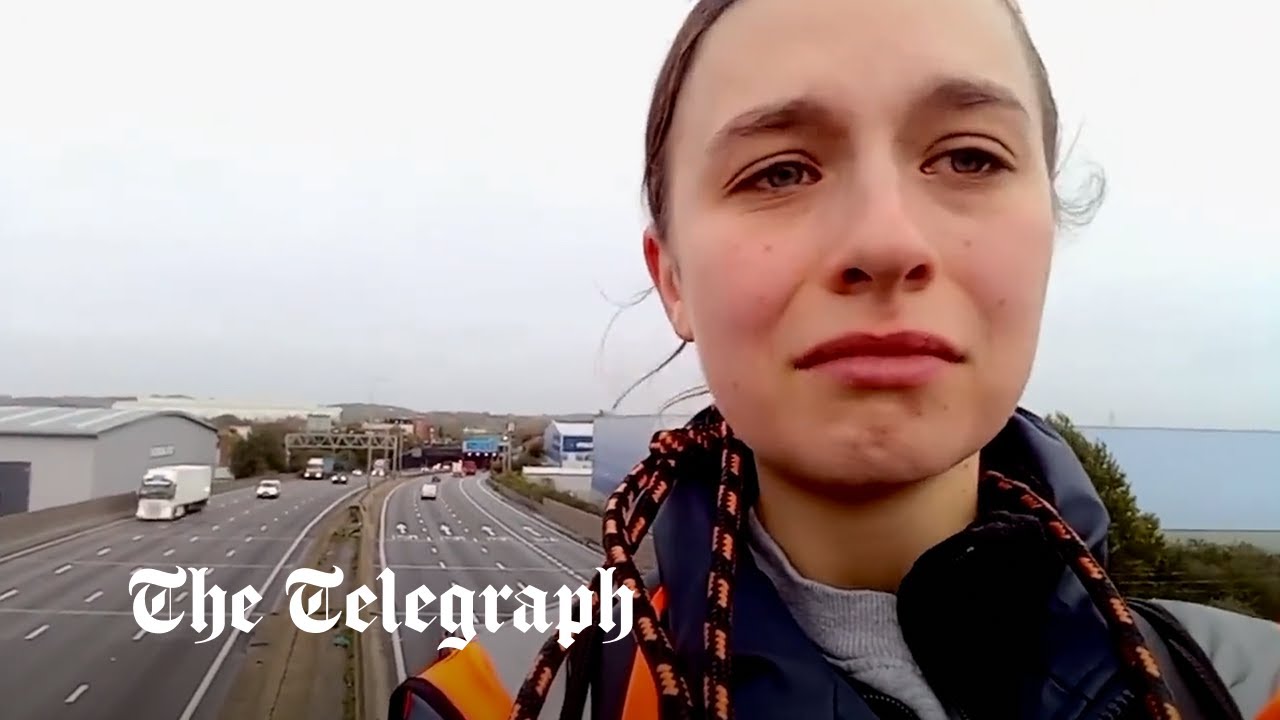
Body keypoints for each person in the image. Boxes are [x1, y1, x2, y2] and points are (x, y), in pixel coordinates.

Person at [390, 0, 1280, 718]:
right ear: (674, 282)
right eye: (779, 172)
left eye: (969, 156)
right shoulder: (495, 704)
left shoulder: (1246, 690)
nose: (887, 241)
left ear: (1049, 224)